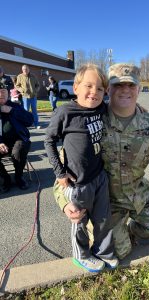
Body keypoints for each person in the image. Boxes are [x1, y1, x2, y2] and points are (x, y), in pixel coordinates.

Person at [53, 63, 149, 260]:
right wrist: (65, 201)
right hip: (105, 204)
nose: (125, 90)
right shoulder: (89, 121)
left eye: (131, 86)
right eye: (118, 85)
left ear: (139, 89)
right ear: (108, 89)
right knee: (118, 252)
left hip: (138, 195)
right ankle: (116, 234)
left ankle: (132, 230)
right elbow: (64, 167)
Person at [44, 64, 118, 272]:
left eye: (100, 89)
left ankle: (103, 252)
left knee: (103, 219)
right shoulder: (65, 112)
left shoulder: (101, 108)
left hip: (99, 176)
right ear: (76, 87)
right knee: (80, 220)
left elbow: (115, 107)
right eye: (88, 86)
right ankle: (82, 255)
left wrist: (139, 108)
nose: (94, 92)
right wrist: (60, 173)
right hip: (78, 180)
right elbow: (49, 141)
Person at [0, 82, 33, 193]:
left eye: (3, 92)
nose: (1, 94)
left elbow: (30, 120)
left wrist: (11, 110)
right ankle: (5, 178)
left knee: (19, 150)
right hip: (1, 142)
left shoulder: (15, 106)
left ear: (8, 94)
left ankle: (19, 177)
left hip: (18, 139)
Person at [16, 65, 40, 129]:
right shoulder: (19, 76)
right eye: (24, 69)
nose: (25, 70)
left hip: (33, 96)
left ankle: (36, 124)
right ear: (22, 70)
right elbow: (17, 86)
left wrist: (35, 91)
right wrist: (22, 90)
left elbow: (38, 85)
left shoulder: (33, 76)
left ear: (29, 69)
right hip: (25, 97)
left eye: (26, 69)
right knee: (26, 111)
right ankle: (27, 124)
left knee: (34, 111)